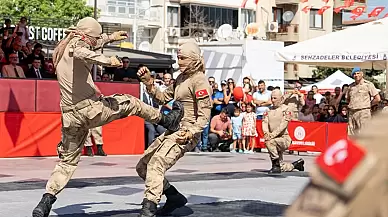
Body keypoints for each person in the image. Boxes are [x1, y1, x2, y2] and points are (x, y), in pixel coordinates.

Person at [32, 17, 184, 217]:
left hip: (69, 116)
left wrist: (110, 37)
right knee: (131, 102)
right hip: (89, 111)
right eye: (95, 39)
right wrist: (108, 60)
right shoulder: (76, 47)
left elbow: (91, 42)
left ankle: (46, 201)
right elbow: (82, 51)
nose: (97, 43)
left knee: (67, 162)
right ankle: (166, 120)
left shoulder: (63, 47)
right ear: (86, 36)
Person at [135, 41, 212, 217]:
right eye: (178, 57)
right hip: (174, 130)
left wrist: (192, 132)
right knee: (143, 167)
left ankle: (149, 208)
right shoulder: (180, 79)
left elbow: (204, 116)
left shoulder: (200, 81)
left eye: (183, 58)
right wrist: (149, 83)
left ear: (193, 59)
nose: (179, 62)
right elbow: (162, 98)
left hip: (186, 134)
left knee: (157, 164)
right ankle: (173, 196)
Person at [262, 89, 304, 174]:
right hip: (273, 138)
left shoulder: (286, 109)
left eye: (275, 98)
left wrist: (271, 135)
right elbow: (264, 123)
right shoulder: (268, 111)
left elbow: (283, 125)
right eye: (272, 98)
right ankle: (296, 165)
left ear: (281, 99)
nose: (273, 100)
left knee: (269, 142)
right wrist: (266, 133)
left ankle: (275, 166)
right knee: (281, 166)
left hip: (283, 138)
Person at [346, 67, 380, 135]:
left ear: (362, 74)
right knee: (352, 134)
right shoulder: (350, 87)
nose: (356, 75)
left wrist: (367, 105)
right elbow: (348, 99)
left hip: (363, 112)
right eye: (354, 74)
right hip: (352, 113)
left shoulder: (368, 85)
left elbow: (377, 99)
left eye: (358, 73)